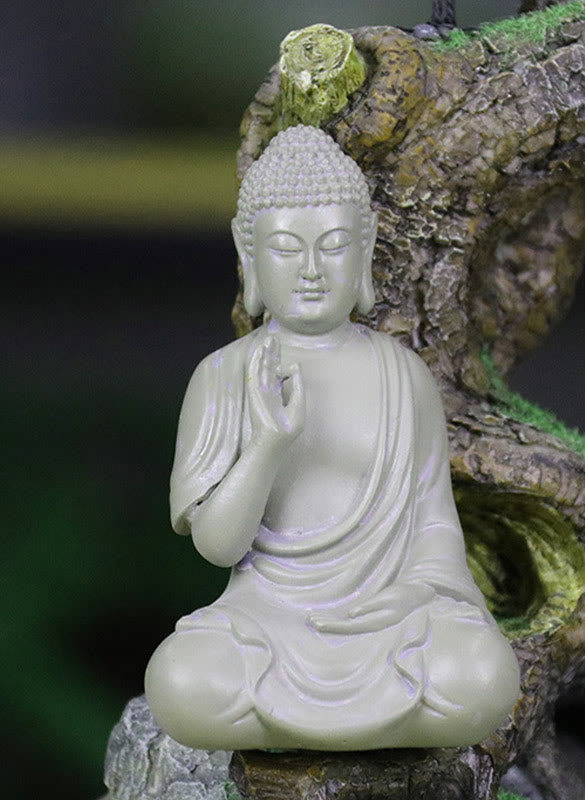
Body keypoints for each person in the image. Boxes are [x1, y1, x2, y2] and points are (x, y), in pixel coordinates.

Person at [145, 125, 520, 751]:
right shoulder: (224, 375)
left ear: (365, 250)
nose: (313, 271)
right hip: (266, 618)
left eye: (335, 246)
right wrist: (267, 444)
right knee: (182, 682)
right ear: (249, 255)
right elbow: (219, 546)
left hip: (386, 621)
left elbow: (434, 524)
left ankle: (303, 723)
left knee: (483, 674)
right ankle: (374, 724)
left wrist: (413, 593)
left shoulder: (403, 374)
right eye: (286, 249)